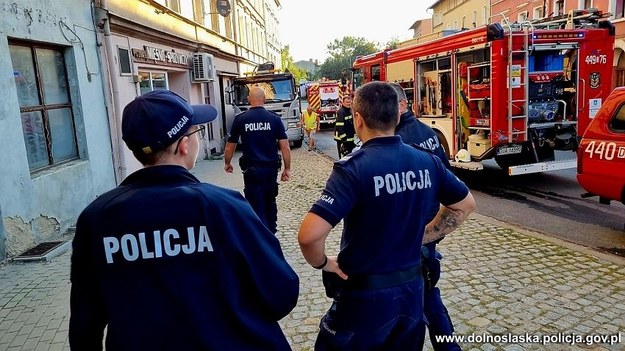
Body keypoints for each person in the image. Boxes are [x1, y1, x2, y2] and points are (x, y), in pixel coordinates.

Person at [69, 90, 299, 351]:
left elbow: (84, 324)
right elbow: (281, 292)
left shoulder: (96, 219)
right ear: (183, 145)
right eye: (195, 132)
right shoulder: (224, 207)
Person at [298, 81, 476, 350]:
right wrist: (422, 236)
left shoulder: (353, 169)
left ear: (358, 119)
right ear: (397, 114)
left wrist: (324, 263)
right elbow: (465, 205)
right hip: (412, 290)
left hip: (365, 296)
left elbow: (309, 236)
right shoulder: (426, 161)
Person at [390, 82, 460, 350]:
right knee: (429, 293)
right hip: (429, 224)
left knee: (419, 297)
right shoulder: (426, 131)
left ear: (403, 105)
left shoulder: (401, 140)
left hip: (412, 229)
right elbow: (447, 176)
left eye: (389, 105)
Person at [224, 86, 291, 234]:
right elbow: (285, 147)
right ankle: (271, 232)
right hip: (270, 170)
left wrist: (227, 163)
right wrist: (287, 168)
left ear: (249, 100)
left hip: (251, 171)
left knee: (254, 204)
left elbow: (230, 146)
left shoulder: (241, 119)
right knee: (270, 201)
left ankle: (259, 235)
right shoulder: (274, 119)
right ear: (265, 100)